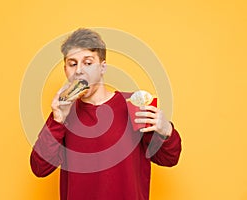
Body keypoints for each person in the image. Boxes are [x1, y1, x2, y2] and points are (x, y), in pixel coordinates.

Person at [30, 28, 182, 200]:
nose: (79, 70)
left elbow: (168, 159)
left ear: (102, 68)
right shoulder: (63, 114)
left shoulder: (133, 105)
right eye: (72, 64)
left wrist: (166, 130)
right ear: (65, 69)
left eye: (88, 63)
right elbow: (39, 168)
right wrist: (57, 120)